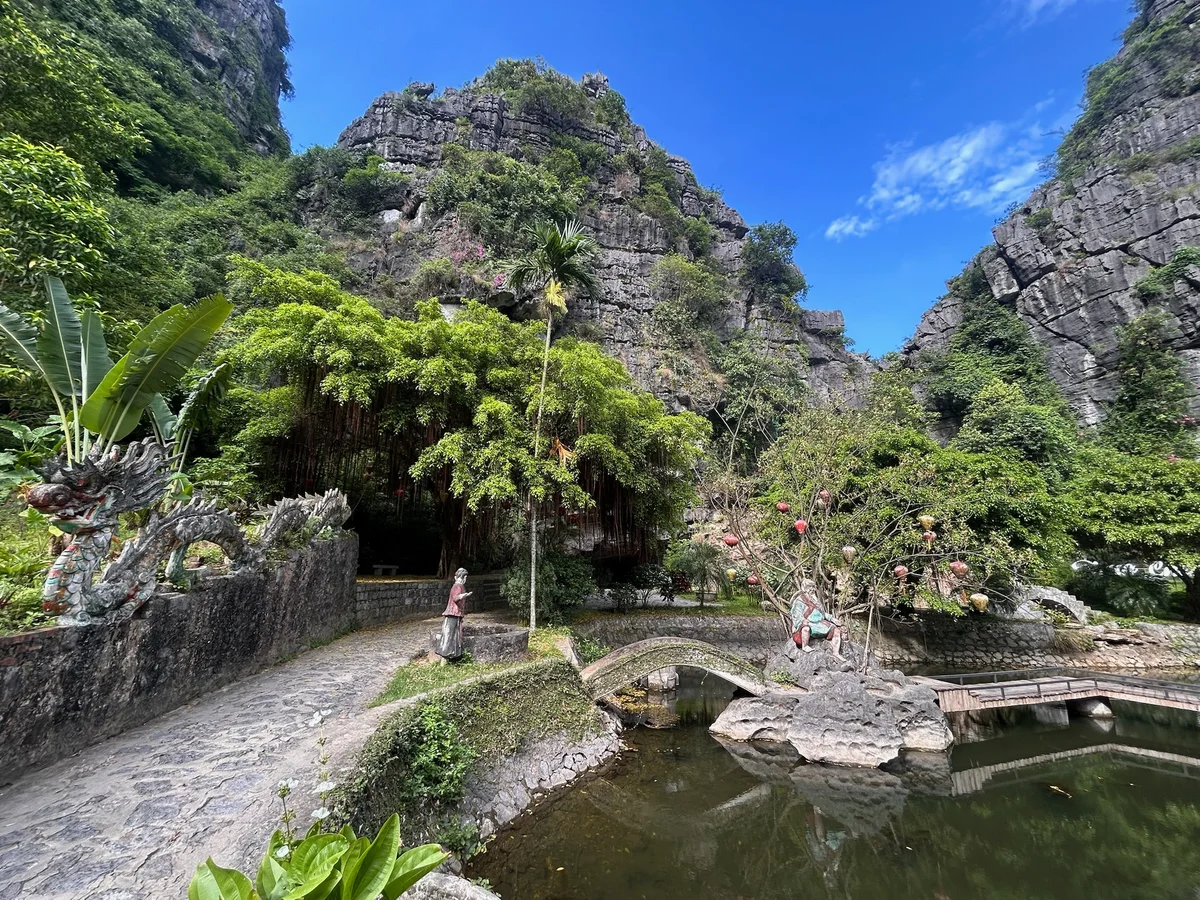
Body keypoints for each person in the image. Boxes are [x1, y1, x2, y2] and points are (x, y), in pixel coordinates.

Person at [789, 585, 845, 658]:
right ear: (804, 589)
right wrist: (802, 620)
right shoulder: (799, 600)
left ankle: (836, 652)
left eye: (813, 587)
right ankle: (805, 646)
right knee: (806, 628)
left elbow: (823, 614)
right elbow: (796, 614)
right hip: (808, 623)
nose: (812, 589)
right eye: (809, 587)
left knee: (836, 629)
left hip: (820, 623)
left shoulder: (816, 600)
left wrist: (832, 619)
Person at [435, 568, 472, 661]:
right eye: (464, 577)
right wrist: (463, 595)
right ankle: (445, 657)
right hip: (453, 614)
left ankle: (453, 656)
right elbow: (455, 598)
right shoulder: (458, 586)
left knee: (454, 635)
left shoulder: (460, 586)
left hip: (456, 614)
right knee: (449, 635)